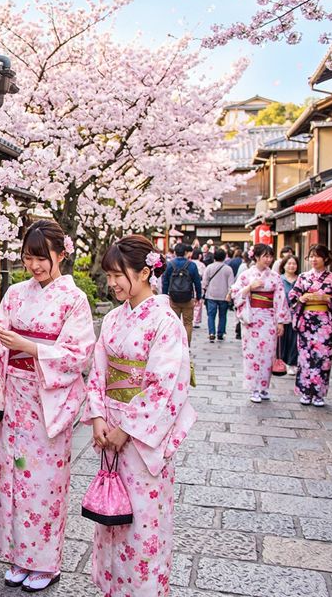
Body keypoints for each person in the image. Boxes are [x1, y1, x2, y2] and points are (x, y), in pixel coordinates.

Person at [0, 220, 95, 592]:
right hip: (16, 399)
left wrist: (29, 346)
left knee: (44, 481)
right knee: (14, 477)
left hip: (48, 403)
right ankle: (18, 556)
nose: (35, 266)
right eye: (29, 258)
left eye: (42, 258)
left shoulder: (75, 300)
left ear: (61, 254)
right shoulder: (16, 292)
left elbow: (78, 354)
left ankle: (45, 562)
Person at [84, 235, 196, 597]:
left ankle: (145, 590)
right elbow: (99, 368)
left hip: (142, 437)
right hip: (111, 427)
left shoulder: (166, 321)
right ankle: (113, 588)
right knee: (112, 514)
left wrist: (126, 430)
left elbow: (165, 385)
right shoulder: (115, 318)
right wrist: (99, 416)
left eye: (119, 274)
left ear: (146, 272)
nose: (112, 282)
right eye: (109, 275)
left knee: (143, 520)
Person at [288, 244, 332, 407]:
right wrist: (301, 299)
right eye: (311, 256)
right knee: (305, 358)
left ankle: (319, 394)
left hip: (324, 323)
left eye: (317, 256)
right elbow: (293, 295)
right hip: (306, 322)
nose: (313, 259)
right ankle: (306, 392)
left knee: (323, 359)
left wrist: (327, 298)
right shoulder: (303, 277)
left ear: (325, 258)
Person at [230, 244, 290, 403]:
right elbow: (235, 294)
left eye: (270, 256)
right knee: (252, 353)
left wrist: (281, 322)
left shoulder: (275, 277)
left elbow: (280, 299)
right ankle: (254, 388)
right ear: (256, 257)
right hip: (252, 318)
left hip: (269, 318)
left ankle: (263, 388)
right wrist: (250, 287)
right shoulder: (246, 275)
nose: (268, 260)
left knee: (268, 354)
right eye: (265, 256)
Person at [161, 243, 202, 344]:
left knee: (174, 323)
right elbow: (197, 282)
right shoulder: (192, 265)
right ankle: (186, 346)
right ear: (185, 253)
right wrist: (198, 297)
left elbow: (165, 281)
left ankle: (174, 345)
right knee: (188, 323)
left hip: (173, 298)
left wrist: (165, 295)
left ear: (175, 252)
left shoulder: (170, 264)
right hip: (188, 297)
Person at [203, 249, 235, 342]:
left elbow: (204, 282)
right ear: (224, 257)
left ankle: (211, 333)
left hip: (211, 295)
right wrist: (230, 294)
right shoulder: (228, 269)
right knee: (222, 315)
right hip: (224, 296)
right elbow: (231, 284)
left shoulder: (209, 267)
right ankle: (220, 333)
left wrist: (203, 291)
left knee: (211, 315)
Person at [278, 255, 301, 373]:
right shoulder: (278, 279)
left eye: (294, 264)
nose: (292, 266)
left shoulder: (301, 280)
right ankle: (282, 362)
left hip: (296, 314)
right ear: (284, 265)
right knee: (282, 339)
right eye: (289, 263)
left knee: (294, 339)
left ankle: (292, 363)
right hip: (281, 314)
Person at [190, 250, 206, 329]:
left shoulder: (189, 263)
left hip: (189, 284)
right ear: (199, 256)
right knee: (198, 303)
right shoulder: (201, 265)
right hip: (199, 283)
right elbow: (204, 275)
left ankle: (191, 318)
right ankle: (195, 320)